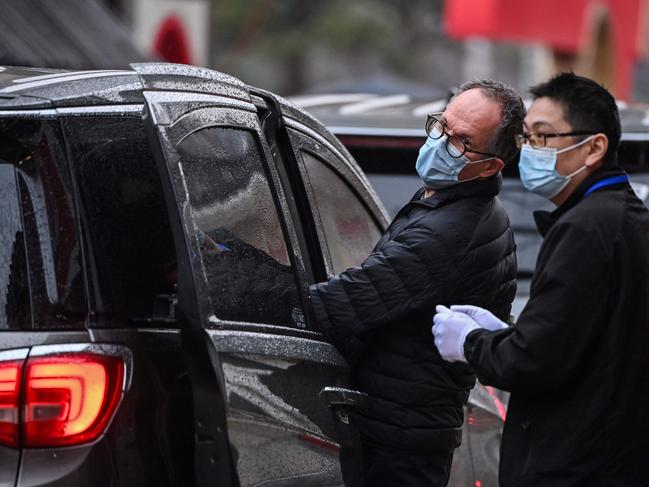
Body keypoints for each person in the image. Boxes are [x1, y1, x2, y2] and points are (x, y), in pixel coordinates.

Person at [432, 72, 649, 486]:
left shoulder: (586, 228)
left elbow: (535, 360)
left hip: (577, 463)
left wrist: (471, 343)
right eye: (526, 138)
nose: (530, 151)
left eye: (544, 137)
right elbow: (578, 340)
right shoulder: (624, 218)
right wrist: (506, 335)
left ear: (594, 147)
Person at [309, 79, 525, 486]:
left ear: (492, 166)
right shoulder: (451, 200)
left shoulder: (451, 230)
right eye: (441, 127)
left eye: (461, 141)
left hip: (400, 442)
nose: (441, 144)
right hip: (401, 427)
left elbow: (341, 306)